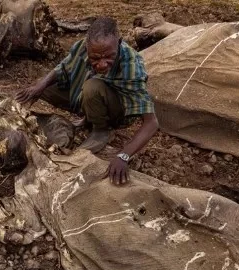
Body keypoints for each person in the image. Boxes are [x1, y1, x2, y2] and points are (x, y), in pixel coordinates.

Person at [15, 16, 159, 186]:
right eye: (95, 58)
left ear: (119, 42)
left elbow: (152, 123)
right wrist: (39, 87)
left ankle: (101, 130)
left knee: (92, 86)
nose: (102, 64)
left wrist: (123, 155)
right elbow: (63, 67)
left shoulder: (132, 65)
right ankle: (20, 114)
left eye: (108, 57)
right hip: (86, 97)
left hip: (117, 111)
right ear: (87, 47)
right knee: (45, 84)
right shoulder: (82, 47)